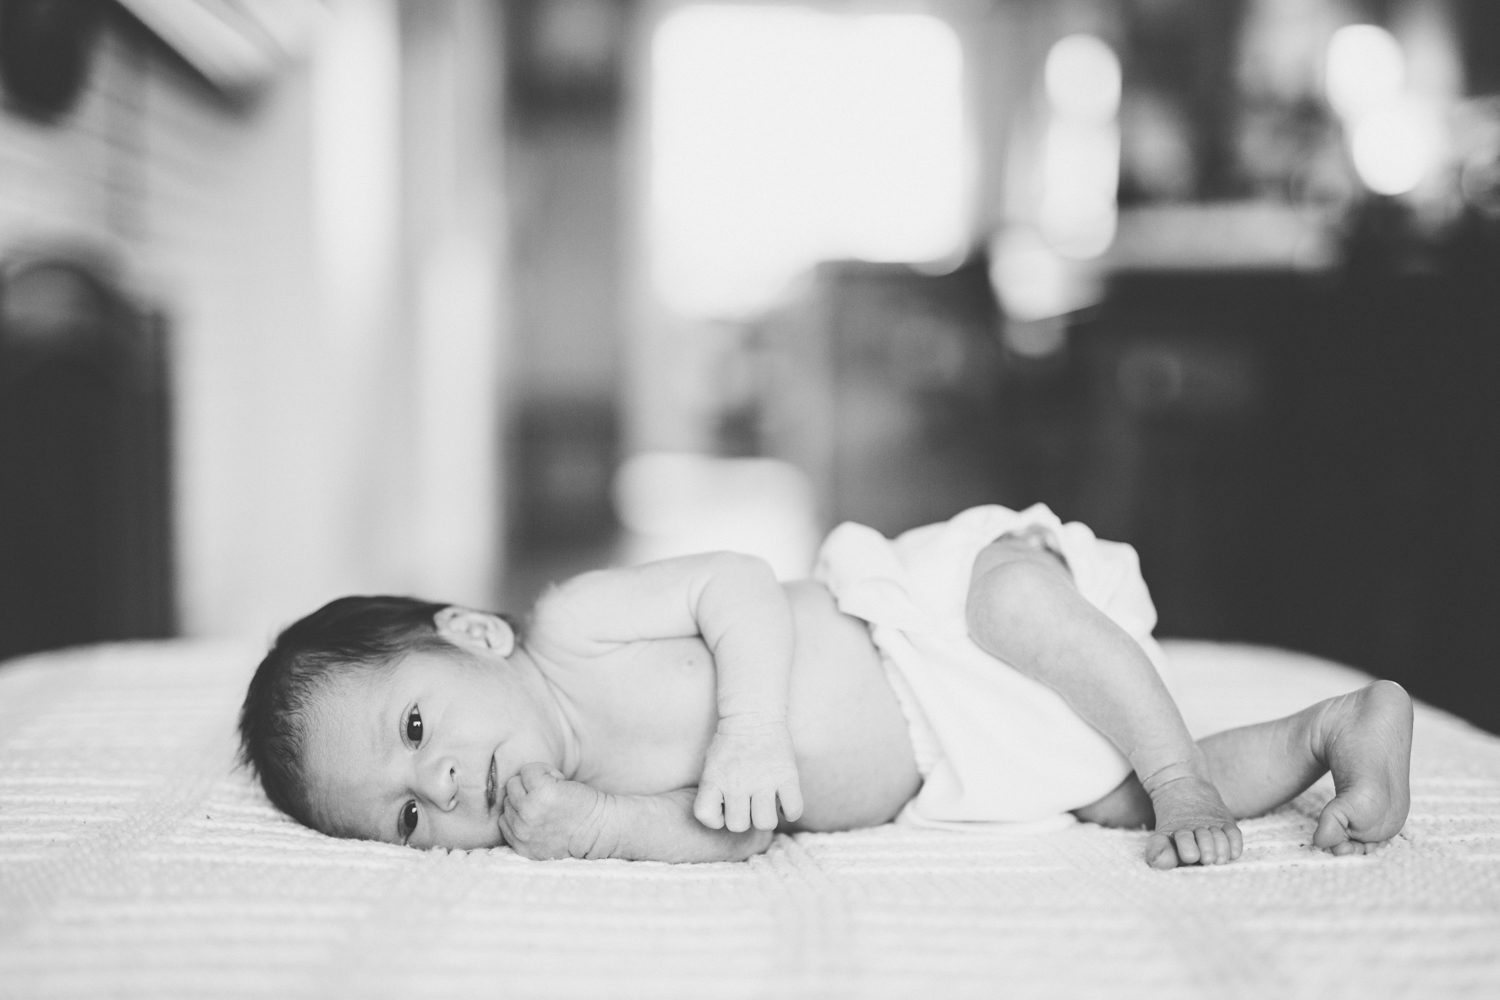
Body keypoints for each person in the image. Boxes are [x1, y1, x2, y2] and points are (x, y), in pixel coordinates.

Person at [238, 503, 1413, 869]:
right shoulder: (574, 799)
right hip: (949, 759)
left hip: (932, 624)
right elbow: (742, 837)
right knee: (1104, 804)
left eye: (412, 724)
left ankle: (1180, 773)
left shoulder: (573, 626)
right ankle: (1333, 730)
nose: (439, 782)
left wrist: (751, 725)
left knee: (1022, 607)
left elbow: (739, 586)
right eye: (403, 812)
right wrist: (602, 827)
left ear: (474, 635)